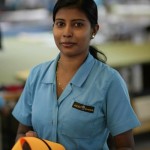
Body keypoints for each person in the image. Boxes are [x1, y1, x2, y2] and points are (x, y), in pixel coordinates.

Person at [12, 0, 140, 149]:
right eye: (60, 24)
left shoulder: (109, 82)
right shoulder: (37, 75)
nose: (67, 33)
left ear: (94, 30)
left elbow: (126, 147)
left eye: (78, 24)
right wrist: (28, 141)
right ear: (53, 27)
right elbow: (21, 133)